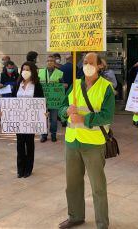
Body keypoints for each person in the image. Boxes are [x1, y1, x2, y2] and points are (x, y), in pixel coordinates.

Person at [58, 52, 115, 229]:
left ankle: (102, 224)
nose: (87, 65)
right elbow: (60, 107)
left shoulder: (106, 87)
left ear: (100, 66)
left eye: (91, 62)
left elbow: (107, 115)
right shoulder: (75, 85)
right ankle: (75, 216)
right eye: (84, 62)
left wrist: (83, 119)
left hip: (93, 143)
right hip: (72, 141)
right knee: (72, 184)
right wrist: (66, 111)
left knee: (98, 187)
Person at [12, 61, 44, 178]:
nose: (25, 72)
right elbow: (12, 100)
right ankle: (20, 169)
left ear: (32, 71)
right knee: (20, 143)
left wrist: (43, 113)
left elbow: (41, 100)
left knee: (29, 143)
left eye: (28, 69)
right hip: (19, 118)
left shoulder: (36, 85)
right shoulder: (17, 84)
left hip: (31, 119)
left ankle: (28, 169)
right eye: (23, 69)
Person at [39, 55, 65, 143]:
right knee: (43, 118)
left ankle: (53, 134)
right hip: (43, 100)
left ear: (55, 63)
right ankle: (43, 135)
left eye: (52, 61)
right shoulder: (40, 72)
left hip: (54, 101)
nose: (50, 62)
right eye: (48, 61)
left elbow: (63, 85)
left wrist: (64, 85)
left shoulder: (60, 73)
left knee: (53, 119)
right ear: (46, 62)